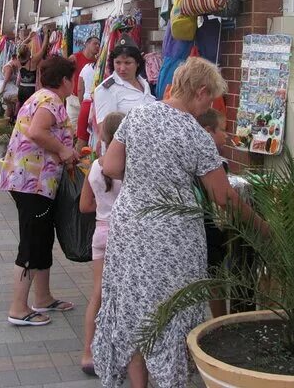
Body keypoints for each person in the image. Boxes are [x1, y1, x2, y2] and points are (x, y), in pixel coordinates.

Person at [93, 58, 265, 388]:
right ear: (200, 91)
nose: (208, 107)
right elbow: (223, 197)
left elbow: (112, 166)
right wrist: (263, 228)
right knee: (170, 311)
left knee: (134, 308)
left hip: (129, 227)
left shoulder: (138, 114)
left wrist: (146, 177)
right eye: (210, 99)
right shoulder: (195, 135)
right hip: (173, 237)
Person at [0, 55, 79, 327]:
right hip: (33, 182)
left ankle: (43, 297)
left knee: (42, 239)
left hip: (32, 181)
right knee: (32, 243)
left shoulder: (41, 97)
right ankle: (18, 308)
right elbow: (36, 132)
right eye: (73, 78)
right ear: (66, 80)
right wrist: (63, 149)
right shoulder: (50, 101)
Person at [79, 112, 125, 376]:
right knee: (125, 294)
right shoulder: (130, 167)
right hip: (125, 235)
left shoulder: (96, 166)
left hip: (101, 233)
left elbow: (85, 206)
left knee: (98, 293)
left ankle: (88, 352)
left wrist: (103, 203)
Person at [195, 108, 230, 318]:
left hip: (206, 225)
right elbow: (222, 197)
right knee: (215, 278)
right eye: (223, 130)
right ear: (208, 132)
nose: (226, 135)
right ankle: (220, 320)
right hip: (208, 227)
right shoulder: (213, 163)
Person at [92, 37, 154, 145]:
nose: (122, 68)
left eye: (127, 63)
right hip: (122, 151)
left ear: (138, 63)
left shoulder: (144, 84)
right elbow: (104, 131)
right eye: (118, 62)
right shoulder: (107, 89)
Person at [67, 36, 101, 129]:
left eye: (99, 44)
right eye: (95, 43)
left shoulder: (97, 63)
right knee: (72, 127)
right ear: (87, 44)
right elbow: (65, 75)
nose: (97, 46)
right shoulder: (75, 58)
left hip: (88, 100)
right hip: (73, 98)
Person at [17, 31, 51, 112]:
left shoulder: (19, 60)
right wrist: (46, 34)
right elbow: (43, 50)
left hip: (21, 89)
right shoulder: (33, 61)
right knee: (31, 111)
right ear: (28, 53)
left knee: (23, 110)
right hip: (30, 90)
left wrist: (29, 37)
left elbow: (20, 48)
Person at [75, 61, 96, 151]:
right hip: (97, 104)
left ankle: (78, 161)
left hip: (86, 103)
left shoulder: (86, 68)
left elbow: (80, 89)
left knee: (82, 138)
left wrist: (82, 104)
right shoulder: (108, 69)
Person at [0, 53, 20, 123]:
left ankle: (7, 122)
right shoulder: (9, 68)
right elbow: (5, 81)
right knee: (19, 97)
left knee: (9, 107)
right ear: (14, 59)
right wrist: (1, 92)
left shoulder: (13, 67)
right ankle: (14, 118)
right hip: (5, 87)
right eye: (18, 60)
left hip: (8, 87)